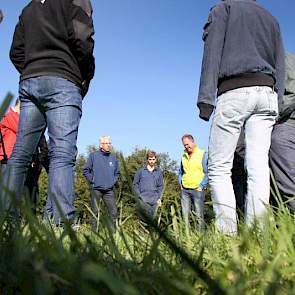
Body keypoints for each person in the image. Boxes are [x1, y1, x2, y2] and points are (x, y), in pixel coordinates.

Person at [3, 0, 95, 224]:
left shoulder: (28, 10)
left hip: (30, 82)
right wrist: (85, 74)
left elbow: (15, 52)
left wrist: (32, 70)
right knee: (62, 154)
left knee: (20, 155)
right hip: (63, 80)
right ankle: (59, 222)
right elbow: (83, 41)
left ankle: (7, 219)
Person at [197, 0, 285, 233]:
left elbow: (212, 51)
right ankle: (258, 234)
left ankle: (227, 235)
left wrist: (205, 99)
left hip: (234, 92)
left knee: (218, 168)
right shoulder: (271, 19)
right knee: (258, 167)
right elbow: (280, 64)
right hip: (267, 94)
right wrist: (279, 102)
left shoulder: (223, 9)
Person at [270, 52, 295, 210]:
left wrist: (269, 118)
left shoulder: (281, 57)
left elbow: (292, 93)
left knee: (289, 183)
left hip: (287, 123)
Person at [83, 136, 120, 231]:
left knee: (113, 212)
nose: (109, 145)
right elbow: (86, 170)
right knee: (94, 211)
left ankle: (113, 233)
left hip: (109, 190)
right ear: (101, 145)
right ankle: (94, 233)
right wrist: (93, 180)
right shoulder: (93, 156)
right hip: (96, 189)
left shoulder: (113, 158)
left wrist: (112, 182)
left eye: (110, 143)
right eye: (107, 143)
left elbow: (117, 173)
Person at [178, 134, 208, 230]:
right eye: (184, 145)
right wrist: (181, 184)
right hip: (185, 190)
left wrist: (202, 186)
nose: (186, 147)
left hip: (197, 189)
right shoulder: (183, 155)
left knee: (199, 216)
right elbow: (180, 171)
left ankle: (200, 237)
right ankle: (187, 237)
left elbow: (208, 171)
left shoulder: (202, 154)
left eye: (187, 144)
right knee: (185, 216)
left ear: (193, 142)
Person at [133, 151, 164, 222]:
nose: (152, 161)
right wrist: (139, 196)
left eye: (153, 159)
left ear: (155, 160)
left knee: (153, 222)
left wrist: (159, 198)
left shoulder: (159, 172)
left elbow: (160, 186)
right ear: (147, 160)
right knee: (144, 220)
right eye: (150, 159)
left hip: (154, 201)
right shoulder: (140, 171)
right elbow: (135, 184)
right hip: (143, 200)